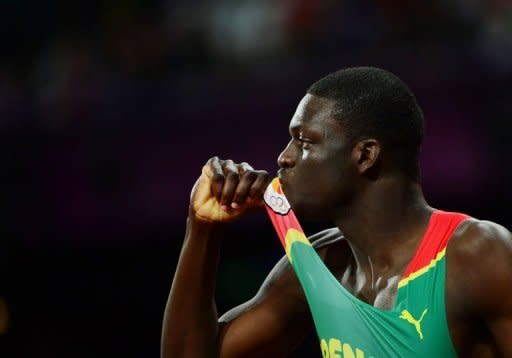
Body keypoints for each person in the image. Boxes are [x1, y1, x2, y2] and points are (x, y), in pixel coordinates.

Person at [161, 67, 512, 357]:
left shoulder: (477, 255)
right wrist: (202, 228)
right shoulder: (320, 265)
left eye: (305, 141)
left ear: (365, 155)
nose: (284, 157)